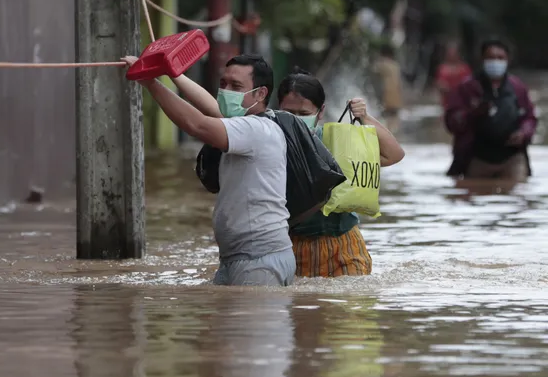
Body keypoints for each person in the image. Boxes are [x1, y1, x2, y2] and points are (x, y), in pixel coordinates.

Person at [121, 54, 296, 287]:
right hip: (241, 259)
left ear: (261, 94)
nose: (226, 91)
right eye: (223, 84)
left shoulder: (255, 129)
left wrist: (150, 82)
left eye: (236, 86)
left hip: (258, 261)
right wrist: (174, 74)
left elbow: (197, 124)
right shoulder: (251, 122)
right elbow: (211, 107)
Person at [278, 68, 405, 277]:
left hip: (345, 246)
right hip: (294, 247)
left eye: (304, 114)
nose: (296, 120)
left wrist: (364, 117)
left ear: (320, 113)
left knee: (349, 307)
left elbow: (394, 154)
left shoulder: (334, 142)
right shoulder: (268, 141)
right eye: (289, 113)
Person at [444, 38, 537, 181]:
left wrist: (524, 132)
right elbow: (451, 121)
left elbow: (530, 117)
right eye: (491, 58)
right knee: (475, 195)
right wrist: (473, 113)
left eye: (500, 58)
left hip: (512, 157)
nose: (496, 62)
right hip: (476, 158)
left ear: (508, 60)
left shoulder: (518, 88)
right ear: (482, 60)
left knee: (518, 196)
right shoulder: (467, 88)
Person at [372, 43, 404, 133]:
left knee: (385, 124)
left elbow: (374, 69)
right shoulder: (395, 65)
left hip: (387, 98)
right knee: (393, 124)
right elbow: (399, 85)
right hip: (396, 99)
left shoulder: (382, 64)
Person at [435, 41, 472, 109]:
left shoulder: (464, 68)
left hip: (463, 105)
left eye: (453, 52)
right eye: (450, 53)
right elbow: (440, 84)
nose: (451, 55)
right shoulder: (442, 69)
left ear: (458, 53)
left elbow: (469, 84)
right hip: (447, 104)